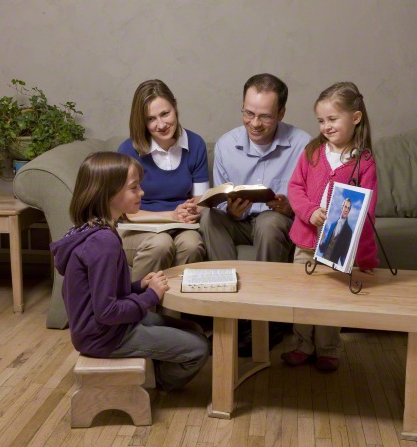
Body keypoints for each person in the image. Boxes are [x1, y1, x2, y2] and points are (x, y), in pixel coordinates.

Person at [50, 152, 209, 391]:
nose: (142, 193)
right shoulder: (103, 242)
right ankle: (156, 381)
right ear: (109, 193)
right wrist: (151, 296)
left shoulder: (94, 229)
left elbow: (102, 293)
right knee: (199, 348)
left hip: (106, 328)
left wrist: (138, 287)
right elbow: (107, 311)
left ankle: (153, 360)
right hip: (105, 336)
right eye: (134, 188)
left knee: (193, 329)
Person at [199, 73, 311, 355]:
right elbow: (220, 199)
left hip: (277, 222)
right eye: (248, 113)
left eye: (265, 116)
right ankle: (229, 312)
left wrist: (291, 208)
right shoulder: (226, 144)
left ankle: (266, 320)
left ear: (281, 113)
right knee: (209, 217)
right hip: (240, 222)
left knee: (269, 222)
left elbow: (312, 200)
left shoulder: (303, 145)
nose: (255, 123)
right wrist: (230, 211)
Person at [281, 82, 379, 372]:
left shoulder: (364, 162)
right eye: (321, 120)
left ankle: (328, 348)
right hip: (305, 242)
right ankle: (302, 345)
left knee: (329, 299)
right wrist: (310, 212)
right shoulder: (312, 151)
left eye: (332, 119)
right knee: (303, 296)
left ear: (355, 118)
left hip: (338, 246)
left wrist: (366, 258)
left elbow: (366, 213)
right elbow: (295, 187)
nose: (326, 126)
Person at [117, 79, 209, 281]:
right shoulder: (127, 150)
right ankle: (140, 308)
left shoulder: (196, 144)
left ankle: (178, 311)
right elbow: (125, 212)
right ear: (142, 121)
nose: (161, 125)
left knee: (192, 245)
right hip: (137, 226)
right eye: (151, 119)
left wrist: (190, 211)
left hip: (182, 225)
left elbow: (201, 199)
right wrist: (171, 215)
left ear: (175, 108)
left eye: (165, 114)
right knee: (161, 244)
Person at [319, 198, 353, 266]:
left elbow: (344, 254)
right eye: (345, 207)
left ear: (349, 211)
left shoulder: (349, 231)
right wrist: (320, 240)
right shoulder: (332, 225)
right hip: (322, 262)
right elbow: (323, 249)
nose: (346, 210)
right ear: (341, 207)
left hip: (333, 266)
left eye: (348, 208)